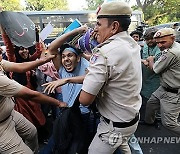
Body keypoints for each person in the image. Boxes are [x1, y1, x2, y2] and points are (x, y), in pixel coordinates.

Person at [79, 1, 142, 154]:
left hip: (113, 125)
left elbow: (84, 100)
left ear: (114, 26)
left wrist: (89, 74)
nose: (95, 29)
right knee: (123, 145)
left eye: (99, 24)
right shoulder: (131, 44)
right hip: (129, 118)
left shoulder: (104, 53)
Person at [40, 25, 94, 154]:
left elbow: (89, 78)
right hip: (65, 113)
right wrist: (76, 31)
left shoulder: (86, 65)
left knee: (81, 147)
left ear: (78, 58)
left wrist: (66, 80)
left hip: (84, 116)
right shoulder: (62, 69)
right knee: (57, 144)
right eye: (63, 56)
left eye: (70, 55)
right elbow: (52, 48)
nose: (66, 59)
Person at [0, 51, 66, 154]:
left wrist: (43, 60)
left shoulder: (0, 62)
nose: (0, 51)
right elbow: (31, 95)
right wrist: (58, 103)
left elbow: (21, 67)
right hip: (1, 128)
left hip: (10, 114)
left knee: (32, 133)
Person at [144, 28, 180, 135]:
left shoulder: (172, 52)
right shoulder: (174, 46)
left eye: (163, 42)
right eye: (158, 42)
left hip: (173, 93)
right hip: (163, 88)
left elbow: (155, 69)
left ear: (172, 38)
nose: (159, 45)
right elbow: (162, 57)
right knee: (151, 104)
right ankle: (149, 122)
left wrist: (150, 60)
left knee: (169, 123)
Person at [140, 27, 161, 121]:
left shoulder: (160, 48)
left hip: (156, 77)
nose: (149, 41)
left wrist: (148, 61)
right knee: (145, 97)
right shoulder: (144, 47)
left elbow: (156, 65)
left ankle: (157, 118)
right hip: (145, 77)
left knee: (155, 98)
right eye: (147, 39)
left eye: (152, 38)